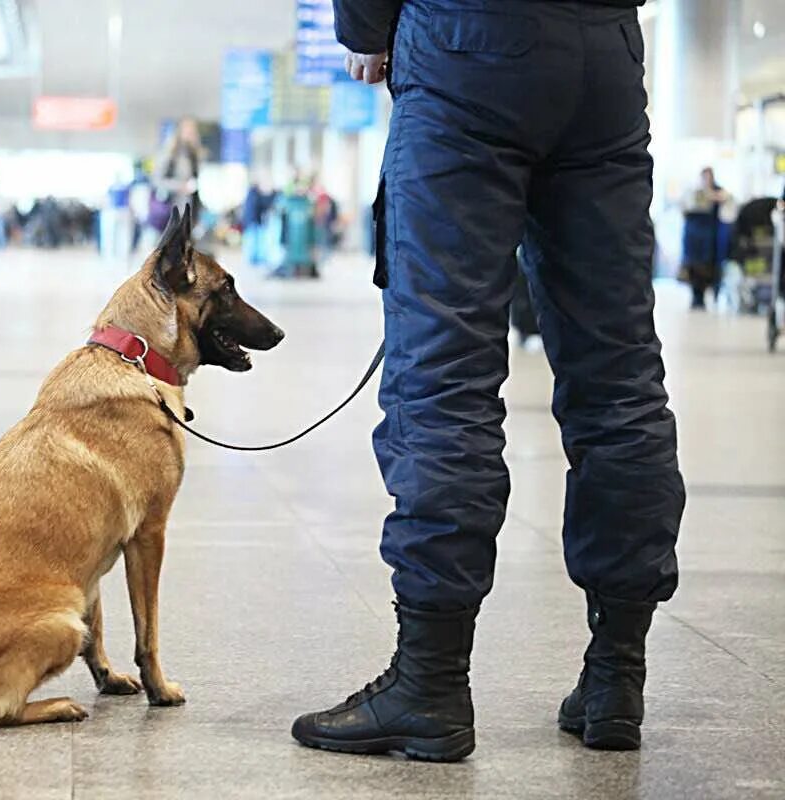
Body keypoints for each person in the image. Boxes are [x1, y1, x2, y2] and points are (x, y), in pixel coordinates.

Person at [291, 0, 685, 761]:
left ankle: (430, 684)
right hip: (607, 57)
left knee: (445, 372)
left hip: (467, 45)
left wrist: (370, 31)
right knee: (620, 373)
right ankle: (616, 677)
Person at [681, 167, 731, 310]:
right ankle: (696, 297)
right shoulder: (694, 191)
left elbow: (726, 197)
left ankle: (710, 294)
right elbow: (685, 208)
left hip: (710, 236)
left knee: (708, 267)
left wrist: (711, 195)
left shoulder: (718, 190)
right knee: (694, 267)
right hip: (694, 236)